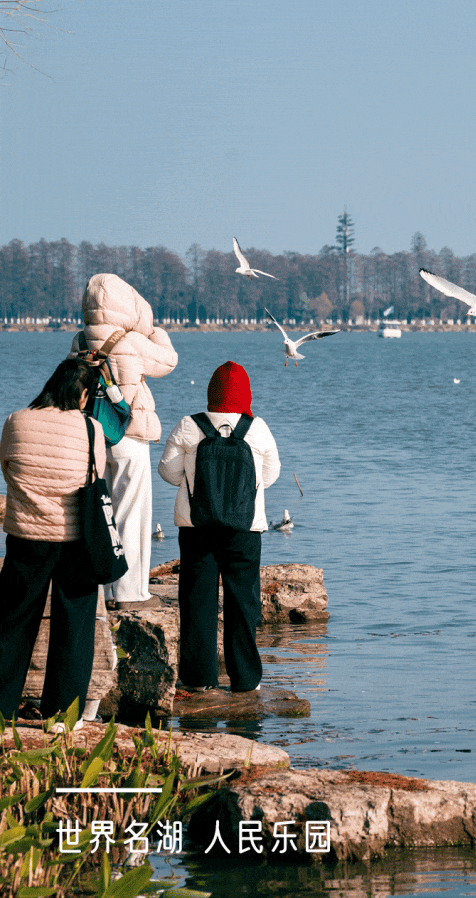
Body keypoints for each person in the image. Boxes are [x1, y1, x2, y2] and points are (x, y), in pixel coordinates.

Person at [158, 361, 280, 692]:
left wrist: (196, 477)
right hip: (244, 529)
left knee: (198, 601)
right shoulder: (257, 429)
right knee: (243, 603)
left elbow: (167, 473)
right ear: (246, 394)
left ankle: (199, 680)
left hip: (197, 526)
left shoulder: (189, 424)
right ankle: (246, 680)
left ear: (211, 392)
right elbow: (269, 477)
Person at [0, 359, 105, 726]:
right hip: (75, 539)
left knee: (12, 622)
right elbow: (97, 473)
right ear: (83, 394)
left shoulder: (15, 420)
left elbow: (7, 468)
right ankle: (63, 715)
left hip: (26, 535)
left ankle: (1, 708)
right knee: (74, 627)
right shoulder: (91, 428)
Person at [69, 273, 178, 611]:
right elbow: (168, 361)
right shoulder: (130, 341)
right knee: (132, 512)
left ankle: (99, 591)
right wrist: (155, 331)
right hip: (128, 434)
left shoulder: (79, 341)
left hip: (91, 436)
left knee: (98, 513)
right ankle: (130, 593)